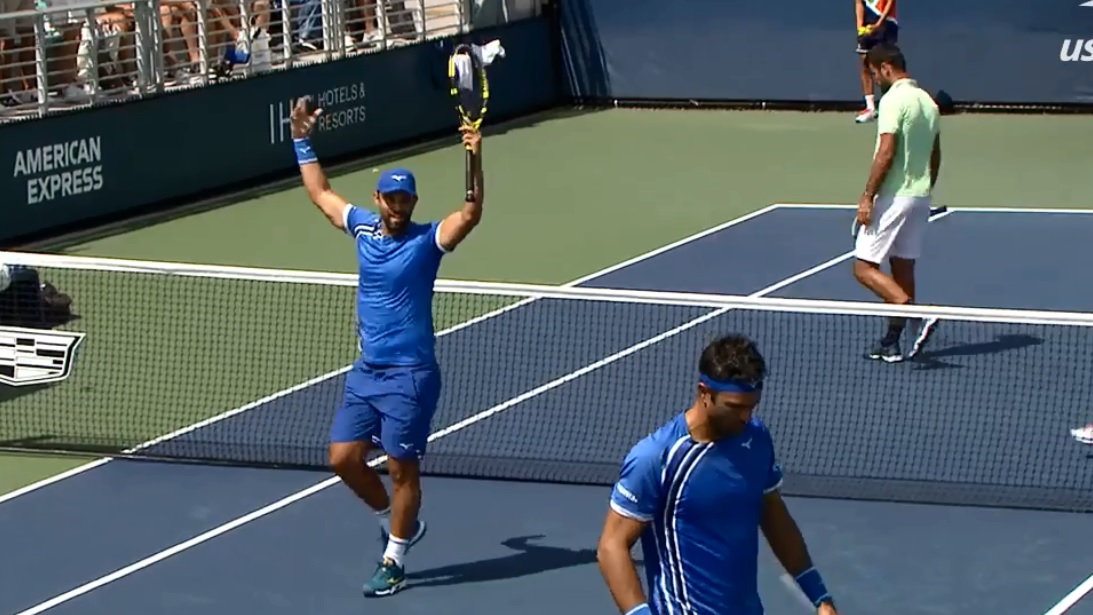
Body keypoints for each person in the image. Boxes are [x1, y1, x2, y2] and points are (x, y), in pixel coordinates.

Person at [289, 96, 485, 597]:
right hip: (366, 373)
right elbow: (319, 192)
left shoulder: (427, 242)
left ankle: (394, 557)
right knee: (341, 458)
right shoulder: (361, 229)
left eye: (406, 201)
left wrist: (473, 156)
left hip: (410, 376)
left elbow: (470, 213)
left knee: (402, 469)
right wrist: (301, 138)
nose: (398, 207)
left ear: (413, 204)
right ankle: (398, 520)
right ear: (378, 199)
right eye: (391, 199)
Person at [597, 333, 839, 615]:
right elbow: (611, 546)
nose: (746, 417)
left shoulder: (756, 438)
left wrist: (820, 596)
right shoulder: (656, 457)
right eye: (735, 407)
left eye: (752, 406)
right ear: (704, 393)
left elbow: (775, 517)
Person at [853, 45, 941, 363]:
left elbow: (886, 151)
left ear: (886, 68)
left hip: (894, 196)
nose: (875, 80)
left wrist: (867, 196)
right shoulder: (928, 102)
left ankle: (915, 313)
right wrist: (925, 187)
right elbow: (935, 153)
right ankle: (892, 341)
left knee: (863, 267)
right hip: (919, 197)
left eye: (875, 74)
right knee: (902, 267)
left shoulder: (893, 100)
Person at [853, 0, 899, 124]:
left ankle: (891, 106)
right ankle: (870, 108)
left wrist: (879, 24)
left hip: (886, 23)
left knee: (886, 64)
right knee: (865, 63)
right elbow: (859, 3)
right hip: (867, 25)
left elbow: (891, 2)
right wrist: (860, 27)